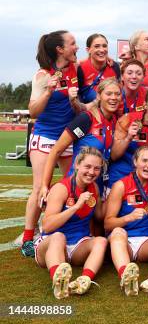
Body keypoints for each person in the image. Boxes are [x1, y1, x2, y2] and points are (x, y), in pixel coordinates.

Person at [22, 30, 82, 257]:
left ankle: (61, 228)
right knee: (40, 187)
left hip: (67, 137)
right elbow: (33, 111)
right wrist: (49, 91)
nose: (77, 47)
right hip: (45, 136)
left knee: (71, 186)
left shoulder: (75, 69)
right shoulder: (42, 75)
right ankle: (28, 238)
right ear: (60, 49)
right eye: (73, 43)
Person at [34, 147, 108, 299]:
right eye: (87, 167)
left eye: (96, 169)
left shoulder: (94, 187)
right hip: (50, 246)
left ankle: (85, 279)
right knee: (59, 236)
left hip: (77, 245)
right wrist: (75, 207)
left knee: (101, 241)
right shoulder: (61, 188)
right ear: (77, 165)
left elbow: (100, 216)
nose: (91, 172)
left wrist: (114, 199)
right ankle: (59, 282)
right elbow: (47, 226)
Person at [40, 78, 121, 209]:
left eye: (117, 94)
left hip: (97, 185)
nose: (114, 97)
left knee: (94, 227)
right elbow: (56, 150)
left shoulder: (115, 120)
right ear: (99, 96)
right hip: (76, 186)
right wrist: (44, 185)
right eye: (109, 93)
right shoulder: (86, 119)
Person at [105, 146, 148, 296]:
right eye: (144, 160)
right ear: (135, 162)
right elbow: (108, 223)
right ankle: (126, 276)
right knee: (117, 231)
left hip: (145, 242)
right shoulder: (120, 186)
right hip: (124, 241)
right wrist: (128, 218)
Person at [109, 83, 148, 194]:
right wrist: (128, 137)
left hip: (145, 181)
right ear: (145, 105)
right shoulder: (128, 119)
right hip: (120, 176)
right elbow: (113, 155)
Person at [77, 33, 121, 104]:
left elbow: (119, 92)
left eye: (104, 46)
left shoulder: (114, 66)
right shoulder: (80, 69)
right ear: (88, 50)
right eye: (97, 46)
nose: (102, 50)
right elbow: (77, 98)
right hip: (89, 113)